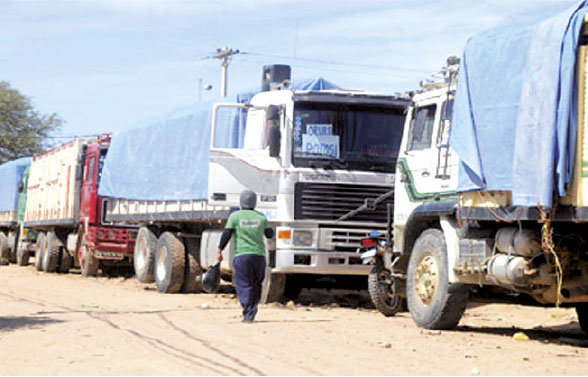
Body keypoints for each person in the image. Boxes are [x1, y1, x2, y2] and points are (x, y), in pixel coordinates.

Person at [217, 189, 274, 322]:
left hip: (242, 256)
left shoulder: (235, 216)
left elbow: (227, 234)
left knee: (244, 284)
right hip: (259, 256)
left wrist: (220, 249)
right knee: (256, 284)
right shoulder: (261, 217)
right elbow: (269, 234)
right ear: (254, 202)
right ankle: (252, 311)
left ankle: (247, 313)